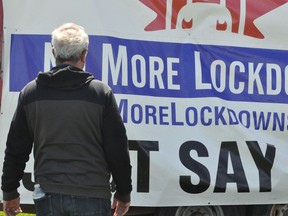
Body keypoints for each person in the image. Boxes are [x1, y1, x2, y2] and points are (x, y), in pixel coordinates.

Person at [1, 23, 132, 216]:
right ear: (84, 55)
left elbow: (16, 148)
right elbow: (117, 149)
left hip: (48, 195)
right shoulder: (100, 93)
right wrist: (124, 192)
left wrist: (10, 191)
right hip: (93, 194)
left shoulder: (31, 93)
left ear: (54, 52)